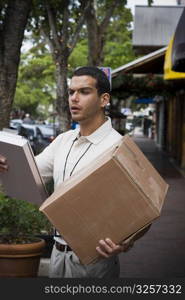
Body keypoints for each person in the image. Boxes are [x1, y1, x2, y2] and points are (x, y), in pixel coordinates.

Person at [0, 66, 150, 278]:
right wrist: (7, 163)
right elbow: (31, 172)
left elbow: (145, 209)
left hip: (95, 262)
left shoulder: (118, 147)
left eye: (84, 92)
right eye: (71, 92)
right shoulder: (62, 141)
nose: (74, 98)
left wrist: (126, 242)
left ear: (103, 99)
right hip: (56, 255)